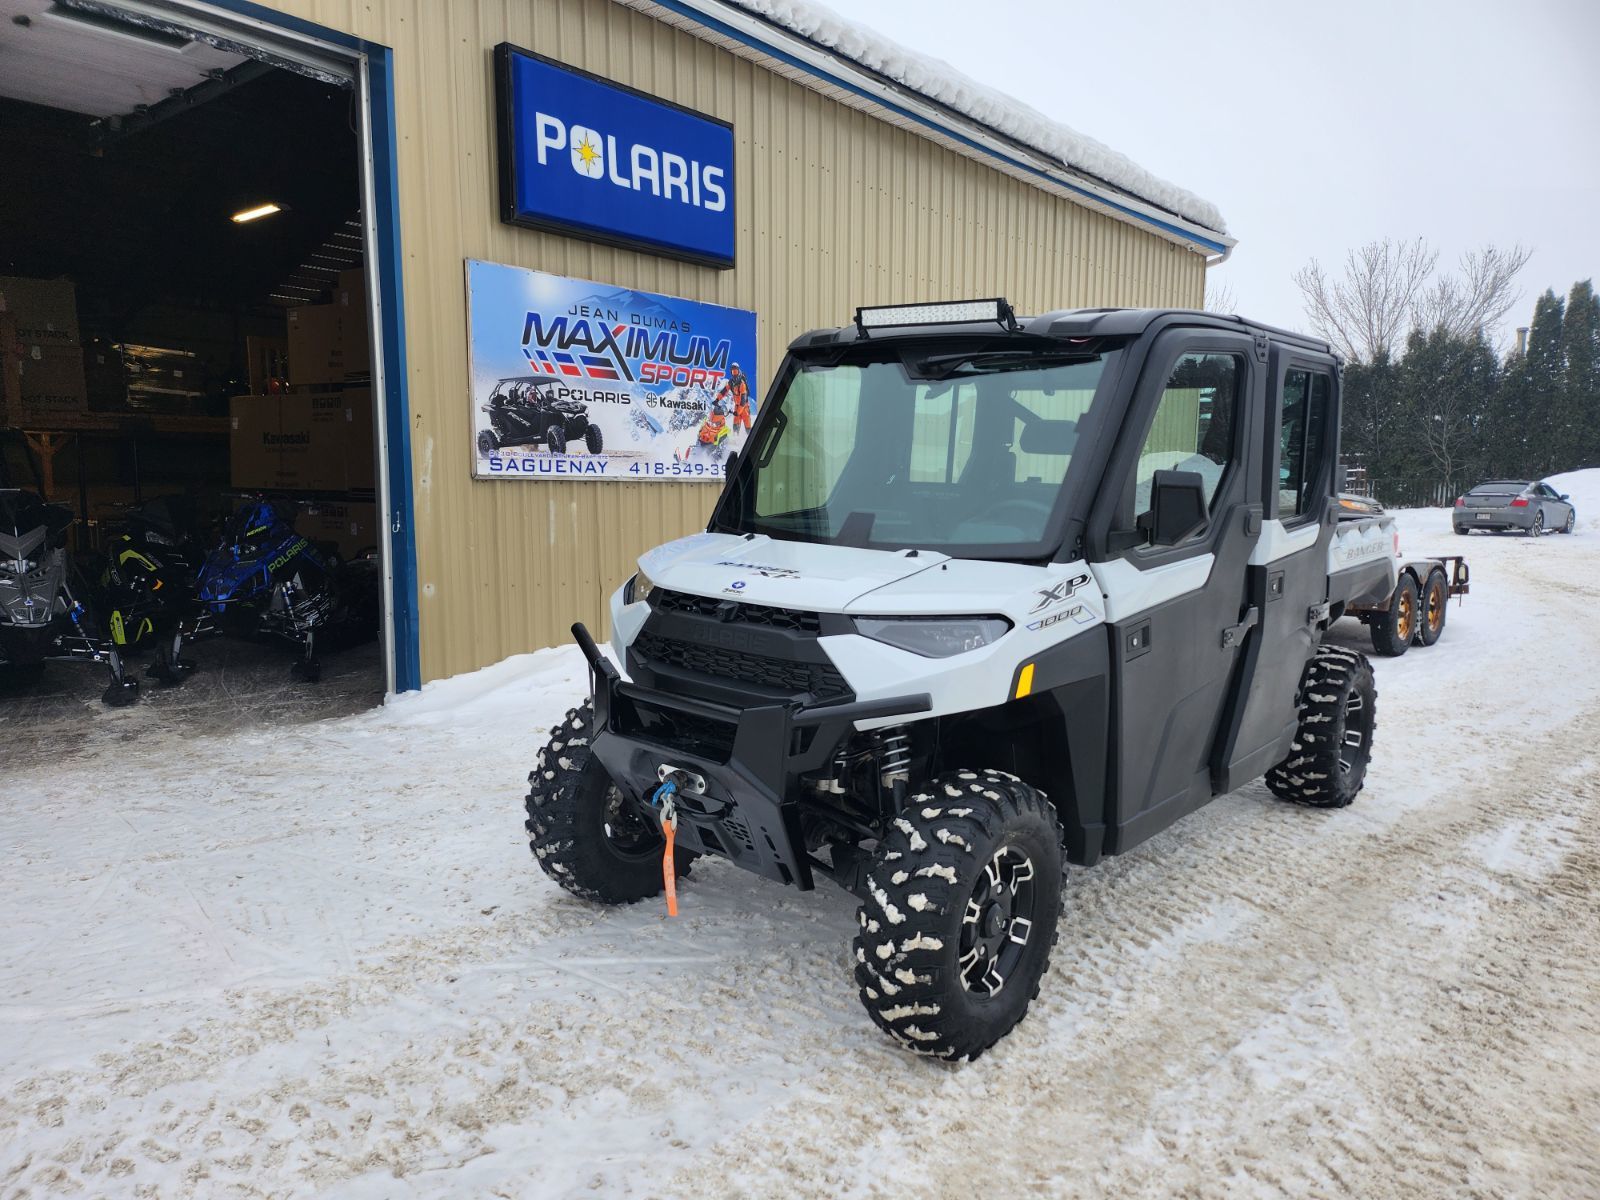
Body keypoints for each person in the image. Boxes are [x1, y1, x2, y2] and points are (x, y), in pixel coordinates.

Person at [718, 363, 752, 432]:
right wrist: (717, 399)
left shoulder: (742, 384)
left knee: (748, 429)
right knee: (735, 427)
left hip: (744, 408)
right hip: (737, 407)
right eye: (733, 372)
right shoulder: (731, 382)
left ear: (738, 371)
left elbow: (743, 400)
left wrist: (738, 412)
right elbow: (724, 391)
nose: (734, 374)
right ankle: (735, 440)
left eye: (735, 371)